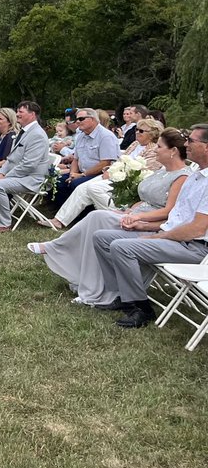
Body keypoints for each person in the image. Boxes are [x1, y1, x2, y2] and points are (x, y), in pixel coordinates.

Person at [27, 128, 191, 306]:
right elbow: (145, 199)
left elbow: (168, 211)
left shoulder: (182, 176)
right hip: (135, 214)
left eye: (159, 146)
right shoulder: (162, 171)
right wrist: (129, 211)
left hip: (151, 222)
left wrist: (137, 218)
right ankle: (80, 273)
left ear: (173, 151)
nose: (155, 149)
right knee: (96, 219)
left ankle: (64, 254)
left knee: (98, 220)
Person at [91, 124, 208, 328]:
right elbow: (175, 217)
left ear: (206, 147)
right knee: (101, 237)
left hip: (194, 248)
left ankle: (141, 307)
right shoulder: (196, 176)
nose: (186, 144)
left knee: (121, 247)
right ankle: (123, 295)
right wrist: (143, 225)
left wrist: (157, 237)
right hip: (174, 237)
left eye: (191, 141)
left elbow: (196, 229)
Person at [43, 117, 163, 230]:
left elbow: (144, 172)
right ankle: (59, 220)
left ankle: (117, 219)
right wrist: (110, 170)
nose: (137, 132)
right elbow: (120, 161)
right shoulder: (135, 144)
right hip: (114, 175)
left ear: (152, 134)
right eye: (136, 129)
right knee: (82, 188)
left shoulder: (154, 150)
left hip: (128, 182)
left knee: (91, 189)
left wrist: (114, 172)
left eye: (141, 131)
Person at [0, 101, 50, 231]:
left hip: (31, 178)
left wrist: (6, 176)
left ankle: (4, 223)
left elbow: (29, 165)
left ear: (32, 114)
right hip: (18, 175)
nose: (17, 114)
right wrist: (1, 173)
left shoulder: (37, 134)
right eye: (18, 111)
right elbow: (11, 159)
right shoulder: (24, 132)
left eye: (21, 112)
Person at [53, 108, 119, 209]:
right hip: (80, 171)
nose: (77, 122)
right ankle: (63, 209)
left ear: (93, 119)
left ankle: (82, 214)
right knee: (58, 180)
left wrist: (82, 175)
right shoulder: (81, 136)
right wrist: (72, 174)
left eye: (81, 119)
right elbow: (76, 159)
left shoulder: (106, 136)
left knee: (76, 184)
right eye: (77, 119)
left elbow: (105, 163)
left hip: (100, 173)